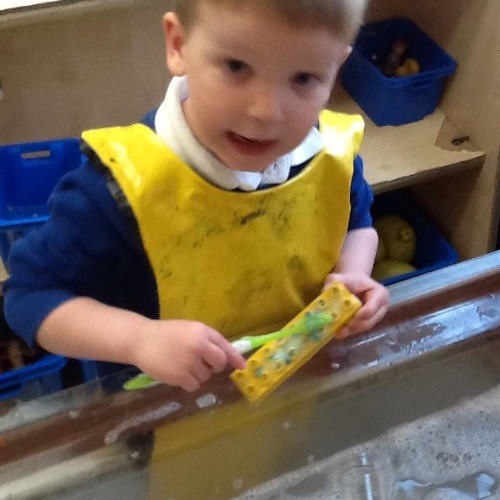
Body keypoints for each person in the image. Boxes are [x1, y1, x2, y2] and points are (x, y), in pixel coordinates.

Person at [3, 0, 390, 394]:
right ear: (178, 44)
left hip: (294, 389)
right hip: (168, 407)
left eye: (304, 78)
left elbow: (357, 226)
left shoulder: (331, 155)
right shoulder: (120, 188)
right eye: (236, 67)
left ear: (336, 68)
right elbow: (28, 297)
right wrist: (139, 339)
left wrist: (354, 275)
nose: (266, 111)